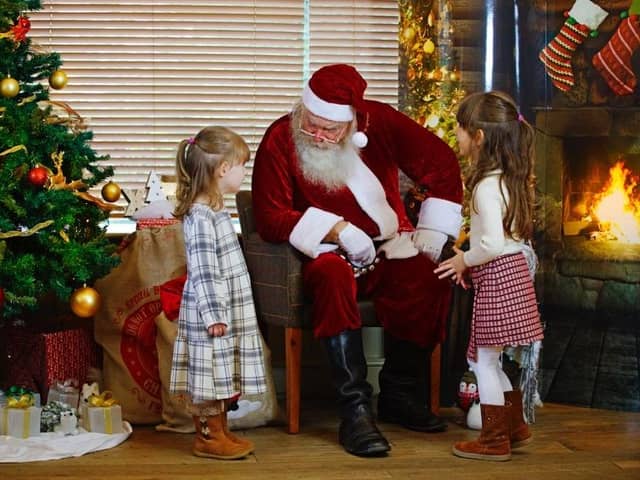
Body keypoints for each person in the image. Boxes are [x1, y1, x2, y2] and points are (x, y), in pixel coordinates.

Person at [252, 64, 464, 457]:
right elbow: (269, 216)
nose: (316, 136)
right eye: (310, 124)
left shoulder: (380, 121)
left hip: (387, 247)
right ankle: (355, 411)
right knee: (332, 275)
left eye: (329, 129)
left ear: (350, 125)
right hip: (325, 255)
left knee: (428, 273)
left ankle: (399, 394)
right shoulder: (281, 137)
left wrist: (431, 234)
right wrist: (337, 229)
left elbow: (442, 163)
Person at [435, 91, 545, 462]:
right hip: (513, 276)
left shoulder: (484, 187)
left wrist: (464, 258)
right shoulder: (509, 180)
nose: (457, 137)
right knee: (492, 359)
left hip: (497, 277)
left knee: (482, 362)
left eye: (460, 130)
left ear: (478, 137)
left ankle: (494, 438)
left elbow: (492, 244)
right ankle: (514, 428)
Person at [170, 126, 267, 460]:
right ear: (224, 168)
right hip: (212, 314)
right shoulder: (200, 216)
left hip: (227, 309)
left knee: (222, 373)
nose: (243, 174)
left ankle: (221, 430)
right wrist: (214, 314)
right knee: (209, 374)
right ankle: (208, 439)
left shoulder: (214, 211)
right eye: (243, 166)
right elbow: (204, 269)